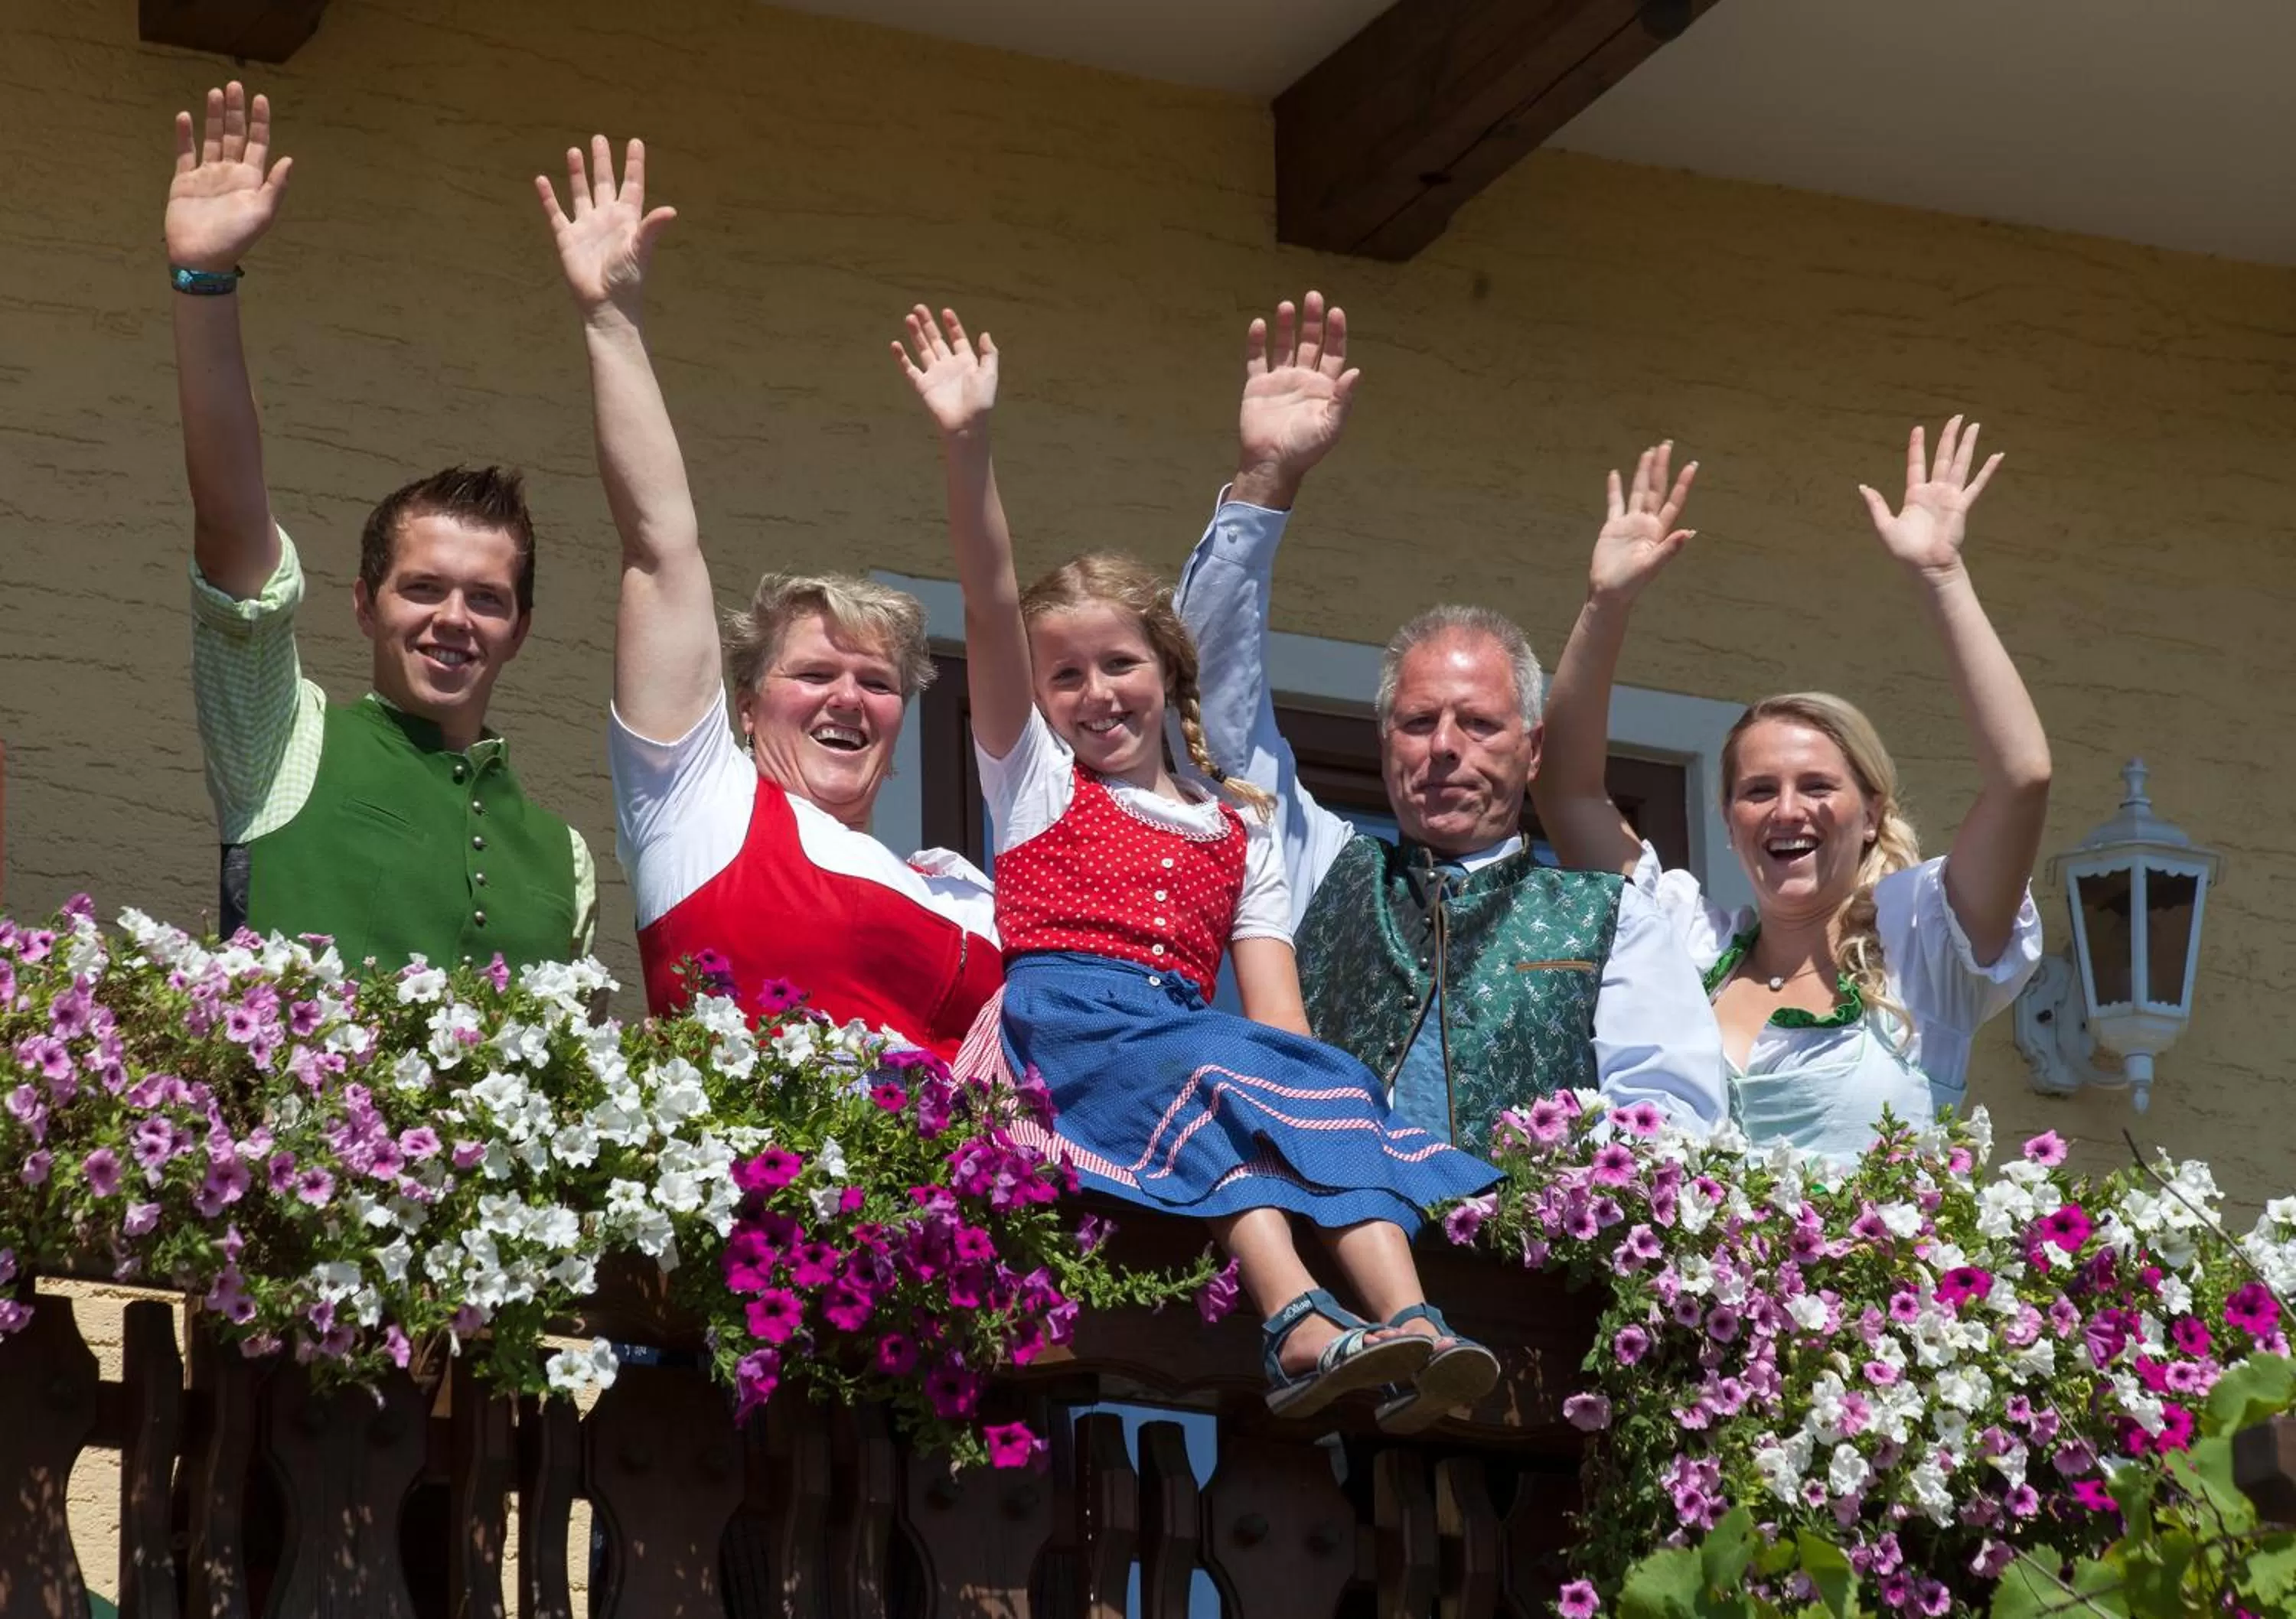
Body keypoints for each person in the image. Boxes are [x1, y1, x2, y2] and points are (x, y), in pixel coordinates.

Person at [895, 304, 1502, 1432]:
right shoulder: (1034, 784)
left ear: (1167, 672)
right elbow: (985, 596)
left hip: (1181, 1038)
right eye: (1062, 676)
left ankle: (1411, 1318)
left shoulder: (1240, 827)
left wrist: (1312, 1081)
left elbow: (1276, 1012)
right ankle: (1293, 1319)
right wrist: (967, 444)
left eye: (1117, 663)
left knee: (1317, 1084)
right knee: (1215, 1073)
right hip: (1063, 1031)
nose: (1093, 695)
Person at [1173, 296, 1727, 1155]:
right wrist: (1265, 483)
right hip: (1329, 1263)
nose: (1444, 748)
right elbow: (1212, 706)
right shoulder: (1317, 865)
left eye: (1479, 723)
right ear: (1383, 740)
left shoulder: (1613, 916)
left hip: (1517, 1279)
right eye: (1418, 721)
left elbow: (1673, 1123)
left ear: (1534, 746)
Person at [536, 138, 1000, 1057]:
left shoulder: (967, 892)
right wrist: (612, 321)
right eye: (815, 671)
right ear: (744, 708)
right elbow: (661, 549)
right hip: (768, 1195)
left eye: (875, 681)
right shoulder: (699, 802)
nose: (846, 697)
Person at [1532, 428, 2050, 1161]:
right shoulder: (1685, 947)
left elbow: (2022, 778)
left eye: (1817, 786)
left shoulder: (1924, 953)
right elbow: (1567, 793)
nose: (1786, 810)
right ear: (1728, 818)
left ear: (1871, 813)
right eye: (1757, 791)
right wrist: (1605, 606)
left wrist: (1941, 576)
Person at [169, 82, 593, 972]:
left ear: (519, 629)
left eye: (487, 597)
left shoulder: (567, 858)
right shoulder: (281, 742)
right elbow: (231, 524)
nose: (453, 618)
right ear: (365, 604)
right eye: (423, 587)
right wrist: (205, 282)